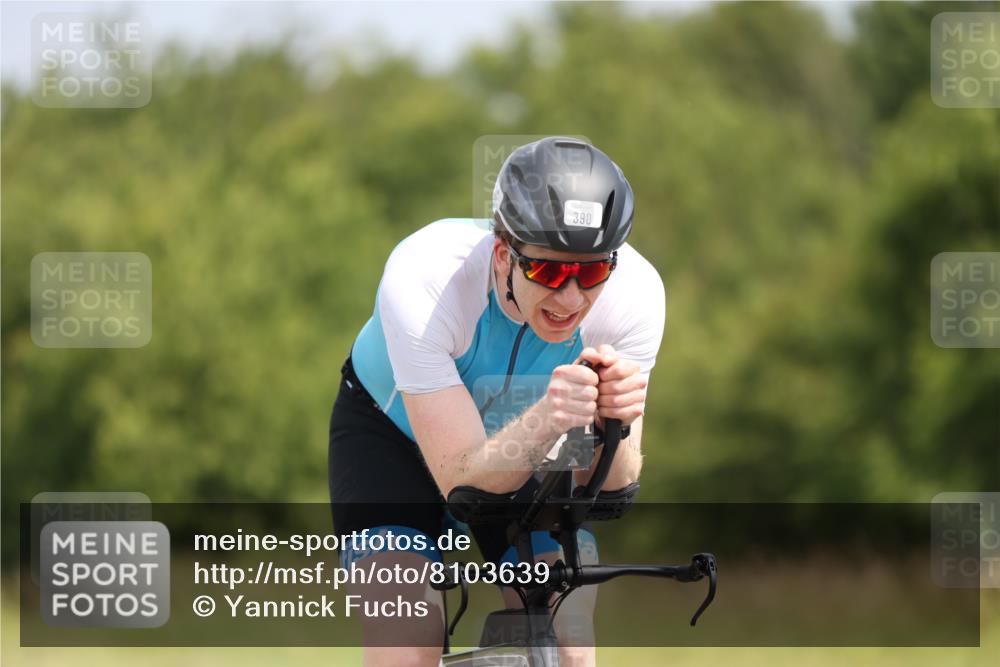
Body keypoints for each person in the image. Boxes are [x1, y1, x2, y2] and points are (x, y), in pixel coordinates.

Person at [328, 136, 665, 667]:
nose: (572, 298)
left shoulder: (636, 295)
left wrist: (617, 425)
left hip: (532, 443)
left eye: (593, 271)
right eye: (550, 272)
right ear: (504, 253)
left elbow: (609, 494)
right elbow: (462, 481)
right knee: (405, 646)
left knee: (570, 644)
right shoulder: (427, 276)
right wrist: (549, 419)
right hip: (393, 438)